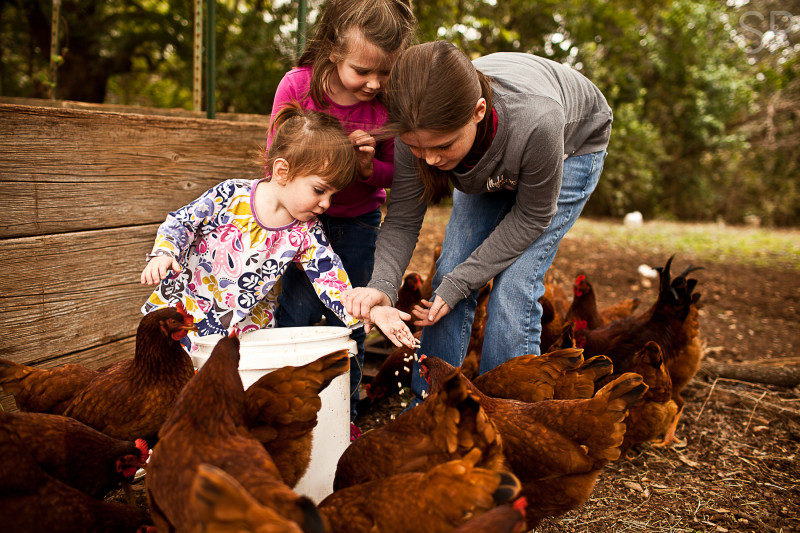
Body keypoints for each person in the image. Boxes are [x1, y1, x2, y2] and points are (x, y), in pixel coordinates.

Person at [342, 41, 613, 407]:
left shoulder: (538, 121)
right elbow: (404, 217)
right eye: (419, 149)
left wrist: (460, 286)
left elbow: (531, 216)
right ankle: (432, 407)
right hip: (490, 155)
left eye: (444, 146)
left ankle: (506, 416)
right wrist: (383, 286)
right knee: (450, 269)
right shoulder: (416, 128)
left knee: (514, 287)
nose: (432, 160)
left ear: (478, 111)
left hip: (573, 144)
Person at [141, 105, 415, 352]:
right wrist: (165, 253)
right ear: (283, 171)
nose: (326, 204)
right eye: (320, 190)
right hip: (186, 311)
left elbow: (332, 282)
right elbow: (182, 221)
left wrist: (374, 312)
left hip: (243, 331)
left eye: (332, 195)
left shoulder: (306, 231)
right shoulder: (230, 195)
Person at [268, 0, 417, 424]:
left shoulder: (389, 104)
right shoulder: (298, 87)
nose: (373, 83)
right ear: (334, 52)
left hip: (358, 222)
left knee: (350, 316)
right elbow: (275, 160)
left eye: (384, 72)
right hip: (301, 222)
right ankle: (284, 408)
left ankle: (343, 415)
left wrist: (368, 169)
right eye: (362, 71)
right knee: (296, 311)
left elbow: (394, 174)